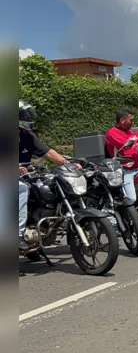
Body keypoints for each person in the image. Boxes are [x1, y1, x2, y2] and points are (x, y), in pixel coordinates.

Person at [19, 101, 77, 251]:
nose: (28, 119)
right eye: (24, 115)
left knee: (47, 186)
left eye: (29, 115)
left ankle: (40, 228)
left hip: (23, 177)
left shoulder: (27, 135)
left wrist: (67, 163)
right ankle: (18, 235)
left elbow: (48, 152)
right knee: (21, 189)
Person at [105, 107, 138, 225]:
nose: (133, 123)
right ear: (122, 120)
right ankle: (116, 222)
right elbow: (126, 146)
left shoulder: (129, 132)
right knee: (131, 199)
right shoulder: (112, 133)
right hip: (124, 171)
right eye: (131, 120)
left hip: (136, 168)